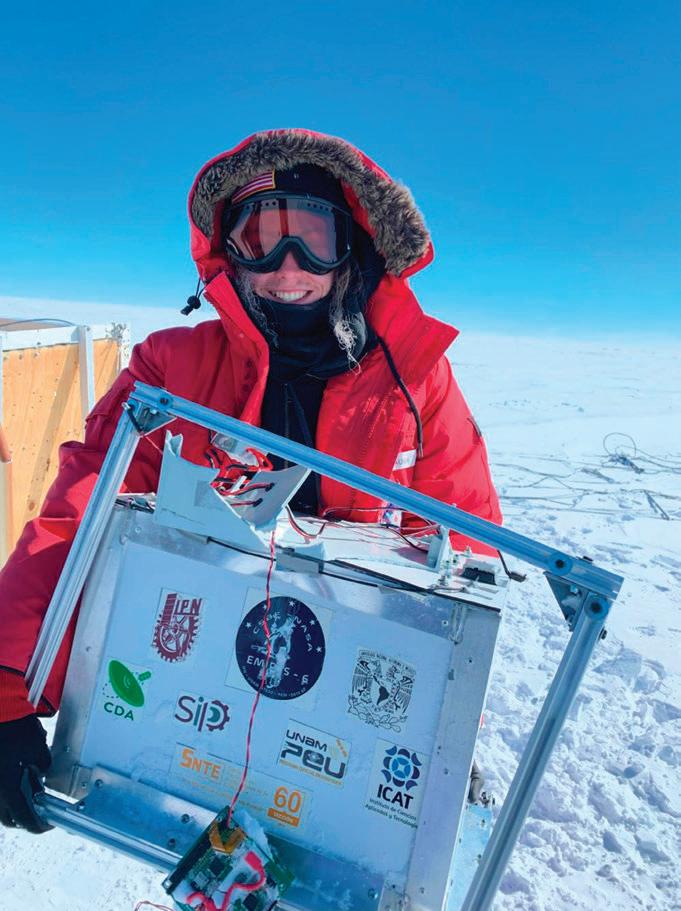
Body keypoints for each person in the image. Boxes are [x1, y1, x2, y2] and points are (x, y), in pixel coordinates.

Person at [0, 128, 502, 832]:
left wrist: (445, 724)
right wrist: (7, 693)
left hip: (345, 685)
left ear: (353, 246)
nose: (286, 265)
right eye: (259, 238)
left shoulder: (414, 382)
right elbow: (79, 516)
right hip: (194, 675)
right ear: (227, 254)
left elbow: (464, 548)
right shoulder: (170, 370)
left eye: (313, 237)